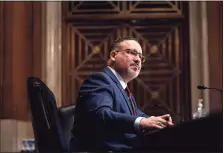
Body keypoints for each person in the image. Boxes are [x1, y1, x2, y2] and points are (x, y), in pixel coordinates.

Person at [70, 37, 174, 152]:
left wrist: (155, 120)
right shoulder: (100, 79)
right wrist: (142, 122)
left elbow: (136, 114)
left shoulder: (123, 89)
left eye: (140, 57)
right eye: (133, 53)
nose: (138, 60)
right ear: (113, 55)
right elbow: (100, 114)